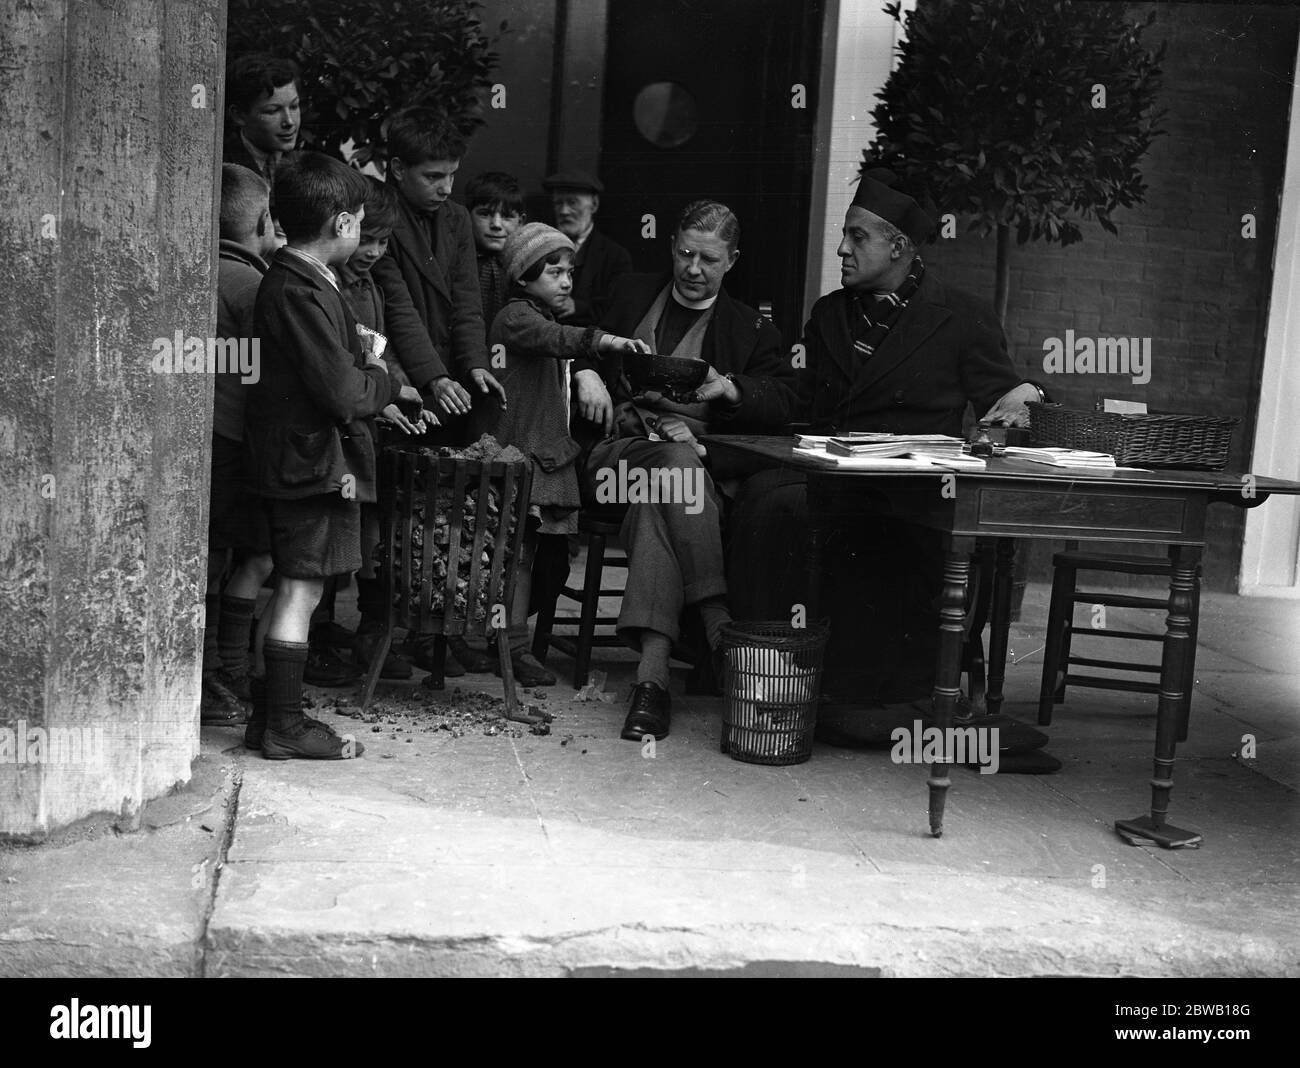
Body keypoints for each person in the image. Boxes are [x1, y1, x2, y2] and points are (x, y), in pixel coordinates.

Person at [727, 168, 1044, 718]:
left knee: (833, 521)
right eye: (845, 236)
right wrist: (732, 389)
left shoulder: (961, 317)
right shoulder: (828, 314)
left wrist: (1024, 399)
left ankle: (875, 697)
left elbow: (1006, 396)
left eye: (857, 237)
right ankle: (774, 676)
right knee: (763, 501)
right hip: (833, 475)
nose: (842, 249)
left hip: (916, 491)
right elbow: (802, 400)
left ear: (898, 247)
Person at [571, 200, 797, 741]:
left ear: (732, 261)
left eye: (710, 260)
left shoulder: (751, 329)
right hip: (614, 463)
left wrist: (728, 397)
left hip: (683, 477)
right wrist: (584, 372)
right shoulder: (628, 292)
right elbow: (570, 328)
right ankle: (717, 619)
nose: (694, 270)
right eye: (686, 254)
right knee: (667, 469)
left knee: (661, 496)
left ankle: (651, 686)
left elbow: (782, 406)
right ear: (672, 245)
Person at [244, 152, 404, 760]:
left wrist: (363, 367)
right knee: (300, 592)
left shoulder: (305, 282)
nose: (362, 232)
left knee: (292, 588)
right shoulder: (295, 288)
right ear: (340, 224)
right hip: (310, 465)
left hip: (305, 461)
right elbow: (342, 391)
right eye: (360, 220)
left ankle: (271, 719)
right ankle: (286, 726)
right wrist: (381, 378)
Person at [476, 223, 650, 686]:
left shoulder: (539, 318)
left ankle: (507, 642)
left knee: (533, 556)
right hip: (520, 457)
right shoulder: (515, 318)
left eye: (569, 272)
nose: (567, 281)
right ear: (522, 277)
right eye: (554, 272)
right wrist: (607, 341)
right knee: (518, 555)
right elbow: (558, 340)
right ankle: (507, 645)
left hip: (544, 458)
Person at [372, 107, 508, 674]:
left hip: (451, 381)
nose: (445, 187)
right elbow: (398, 308)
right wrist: (433, 378)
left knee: (446, 512)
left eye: (451, 174)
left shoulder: (454, 220)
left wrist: (473, 365)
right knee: (394, 514)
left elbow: (468, 301)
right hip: (403, 379)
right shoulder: (378, 215)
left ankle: (442, 629)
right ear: (396, 168)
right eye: (433, 175)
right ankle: (383, 633)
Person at [202, 164, 278, 724]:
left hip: (204, 438)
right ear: (263, 220)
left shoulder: (204, 269)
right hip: (232, 443)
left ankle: (217, 675)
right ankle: (215, 679)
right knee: (221, 560)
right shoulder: (251, 284)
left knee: (216, 559)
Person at [222, 53, 300, 240]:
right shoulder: (225, 169)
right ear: (239, 115)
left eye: (295, 106)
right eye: (272, 111)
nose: (289, 121)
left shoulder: (297, 164)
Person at [542, 171, 632, 327]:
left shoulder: (616, 256)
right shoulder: (540, 247)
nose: (564, 211)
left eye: (572, 202)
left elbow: (619, 310)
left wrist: (577, 307)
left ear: (594, 205)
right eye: (558, 203)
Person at [465, 171, 526, 338]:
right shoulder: (457, 263)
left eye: (507, 216)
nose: (496, 225)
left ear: (520, 222)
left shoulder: (526, 269)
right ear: (467, 216)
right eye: (485, 214)